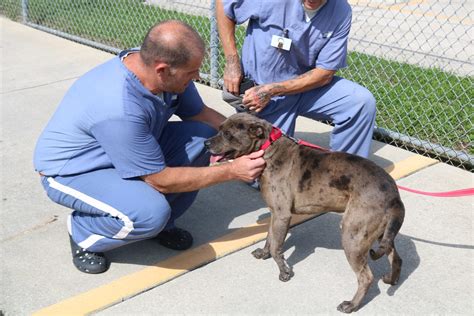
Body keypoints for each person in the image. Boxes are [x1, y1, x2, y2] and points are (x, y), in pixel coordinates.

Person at [33, 20, 265, 274]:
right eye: (192, 73)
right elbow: (160, 180)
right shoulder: (118, 108)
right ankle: (84, 233)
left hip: (125, 149)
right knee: (149, 213)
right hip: (75, 170)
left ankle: (163, 223)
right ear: (163, 70)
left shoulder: (159, 69)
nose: (197, 77)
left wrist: (257, 140)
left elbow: (200, 114)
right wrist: (232, 170)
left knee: (204, 138)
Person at [216, 0, 376, 158]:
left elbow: (325, 73)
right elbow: (224, 5)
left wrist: (273, 90)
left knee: (360, 102)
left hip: (304, 87)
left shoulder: (340, 10)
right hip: (262, 94)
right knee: (270, 170)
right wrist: (232, 62)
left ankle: (343, 170)